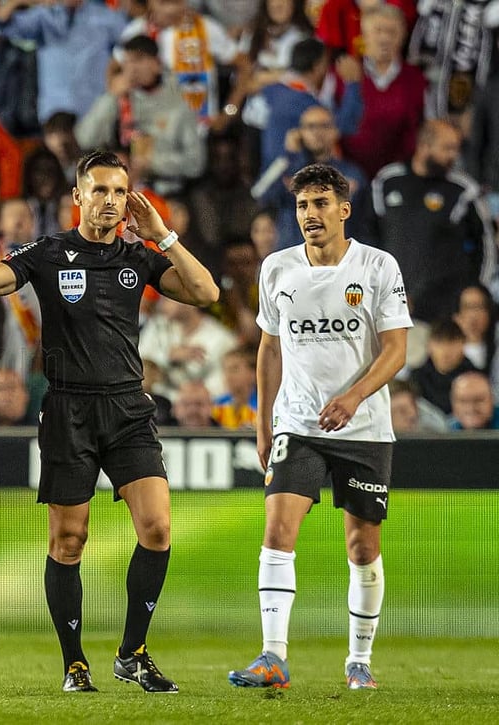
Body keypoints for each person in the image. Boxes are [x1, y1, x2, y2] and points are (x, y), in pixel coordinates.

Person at [0, 150, 220, 693]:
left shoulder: (138, 256)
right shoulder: (49, 252)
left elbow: (206, 293)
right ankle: (75, 664)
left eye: (119, 192)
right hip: (68, 411)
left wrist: (164, 235)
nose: (109, 201)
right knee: (69, 541)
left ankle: (133, 652)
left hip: (128, 408)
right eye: (98, 190)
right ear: (77, 198)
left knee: (157, 528)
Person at [229, 163, 411, 691]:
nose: (310, 214)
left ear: (343, 209)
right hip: (298, 424)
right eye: (303, 205)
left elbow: (396, 350)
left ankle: (359, 661)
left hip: (365, 428)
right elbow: (268, 348)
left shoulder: (377, 266)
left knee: (362, 547)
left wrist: (353, 398)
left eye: (321, 204)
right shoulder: (277, 269)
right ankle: (273, 657)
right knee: (278, 532)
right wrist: (263, 425)